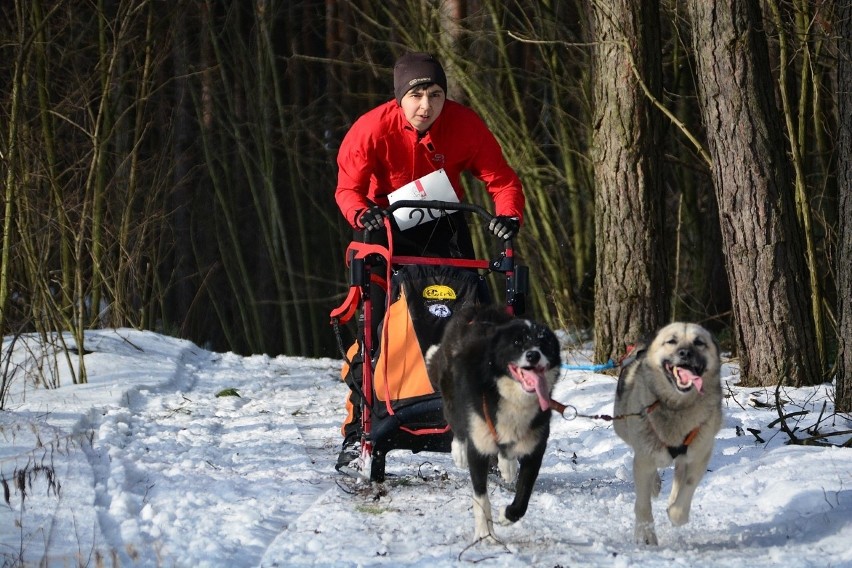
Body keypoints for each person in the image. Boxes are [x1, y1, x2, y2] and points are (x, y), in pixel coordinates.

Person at [333, 52, 526, 472]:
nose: (426, 106)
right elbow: (346, 189)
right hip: (382, 228)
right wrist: (361, 213)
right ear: (399, 97)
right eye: (416, 95)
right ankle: (358, 429)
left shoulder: (464, 125)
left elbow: (502, 179)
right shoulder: (371, 129)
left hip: (444, 226)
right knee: (376, 330)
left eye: (435, 94)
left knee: (468, 325)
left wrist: (508, 216)